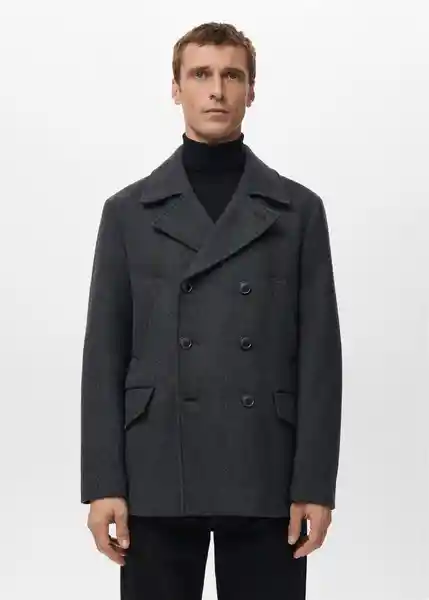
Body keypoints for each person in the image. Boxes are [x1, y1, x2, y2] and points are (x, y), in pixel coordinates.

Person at [80, 21, 342, 600]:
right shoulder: (128, 212)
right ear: (176, 88)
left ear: (252, 90)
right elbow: (104, 356)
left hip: (266, 467)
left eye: (232, 76)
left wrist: (315, 484)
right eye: (201, 74)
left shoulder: (298, 211)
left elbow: (321, 359)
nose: (217, 90)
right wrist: (102, 482)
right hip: (156, 468)